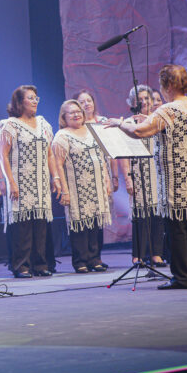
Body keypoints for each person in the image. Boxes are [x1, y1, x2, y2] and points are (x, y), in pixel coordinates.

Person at [109, 65, 187, 290]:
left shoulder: (168, 109)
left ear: (169, 85)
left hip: (175, 177)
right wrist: (150, 118)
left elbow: (139, 132)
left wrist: (118, 123)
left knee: (177, 229)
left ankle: (182, 277)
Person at [0, 85, 62, 278]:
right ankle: (21, 265)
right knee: (22, 226)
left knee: (40, 224)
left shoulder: (43, 124)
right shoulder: (10, 125)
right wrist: (10, 182)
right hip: (20, 181)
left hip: (40, 182)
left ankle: (39, 264)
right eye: (30, 98)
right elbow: (2, 155)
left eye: (36, 98)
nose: (34, 101)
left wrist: (55, 177)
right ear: (19, 102)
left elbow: (50, 154)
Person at [53, 100, 112, 273]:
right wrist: (64, 190)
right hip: (76, 188)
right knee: (80, 225)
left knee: (94, 223)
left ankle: (95, 259)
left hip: (96, 187)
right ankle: (80, 261)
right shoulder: (62, 136)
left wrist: (107, 180)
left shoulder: (92, 131)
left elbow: (102, 159)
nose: (77, 114)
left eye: (78, 111)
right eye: (71, 112)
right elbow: (58, 165)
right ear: (64, 117)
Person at [119, 85, 165, 267]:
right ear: (133, 102)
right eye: (140, 99)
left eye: (147, 98)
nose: (144, 102)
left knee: (157, 214)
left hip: (157, 172)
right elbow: (124, 154)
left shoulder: (157, 120)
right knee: (140, 214)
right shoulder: (129, 123)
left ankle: (156, 254)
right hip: (138, 171)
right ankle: (138, 255)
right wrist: (128, 178)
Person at [74, 88, 117, 268]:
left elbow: (111, 152)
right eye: (82, 102)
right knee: (85, 216)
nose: (86, 104)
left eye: (88, 101)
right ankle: (83, 258)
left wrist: (114, 176)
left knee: (99, 216)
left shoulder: (103, 123)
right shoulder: (77, 125)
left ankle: (96, 257)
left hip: (103, 173)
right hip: (83, 177)